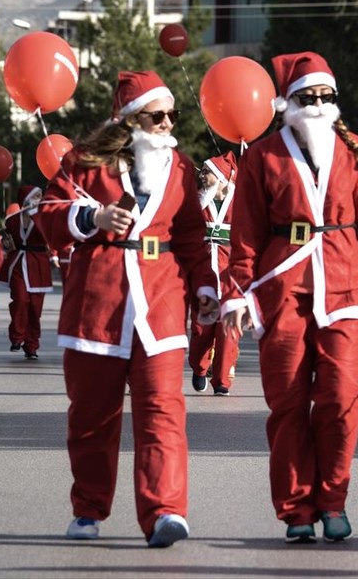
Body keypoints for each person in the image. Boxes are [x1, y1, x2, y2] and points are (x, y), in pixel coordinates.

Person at [220, 52, 358, 543]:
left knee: (338, 397)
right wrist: (236, 294)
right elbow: (243, 232)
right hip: (280, 288)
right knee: (288, 402)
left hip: (346, 285)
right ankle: (296, 510)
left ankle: (333, 501)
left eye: (325, 97)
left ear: (335, 101)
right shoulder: (263, 157)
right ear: (287, 102)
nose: (316, 105)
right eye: (306, 97)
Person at [34, 70, 217, 548]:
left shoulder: (180, 168)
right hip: (98, 306)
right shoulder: (83, 162)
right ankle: (88, 508)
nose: (166, 124)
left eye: (171, 115)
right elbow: (48, 215)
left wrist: (205, 288)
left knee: (163, 412)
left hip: (160, 304)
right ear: (131, 118)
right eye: (157, 115)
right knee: (93, 415)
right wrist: (91, 217)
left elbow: (194, 240)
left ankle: (165, 512)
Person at [188, 152, 239, 396]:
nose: (201, 175)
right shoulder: (197, 202)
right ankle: (199, 368)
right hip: (202, 276)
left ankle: (221, 381)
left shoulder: (240, 204)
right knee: (201, 329)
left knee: (229, 328)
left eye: (207, 172)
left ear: (219, 177)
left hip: (230, 275)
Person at [0, 186, 53, 359]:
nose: (39, 198)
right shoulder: (12, 220)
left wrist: (40, 217)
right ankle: (16, 337)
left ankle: (31, 345)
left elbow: (49, 238)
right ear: (26, 197)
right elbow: (7, 243)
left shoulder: (44, 218)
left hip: (38, 265)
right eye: (36, 196)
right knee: (20, 300)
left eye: (40, 196)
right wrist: (5, 242)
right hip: (18, 263)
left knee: (35, 309)